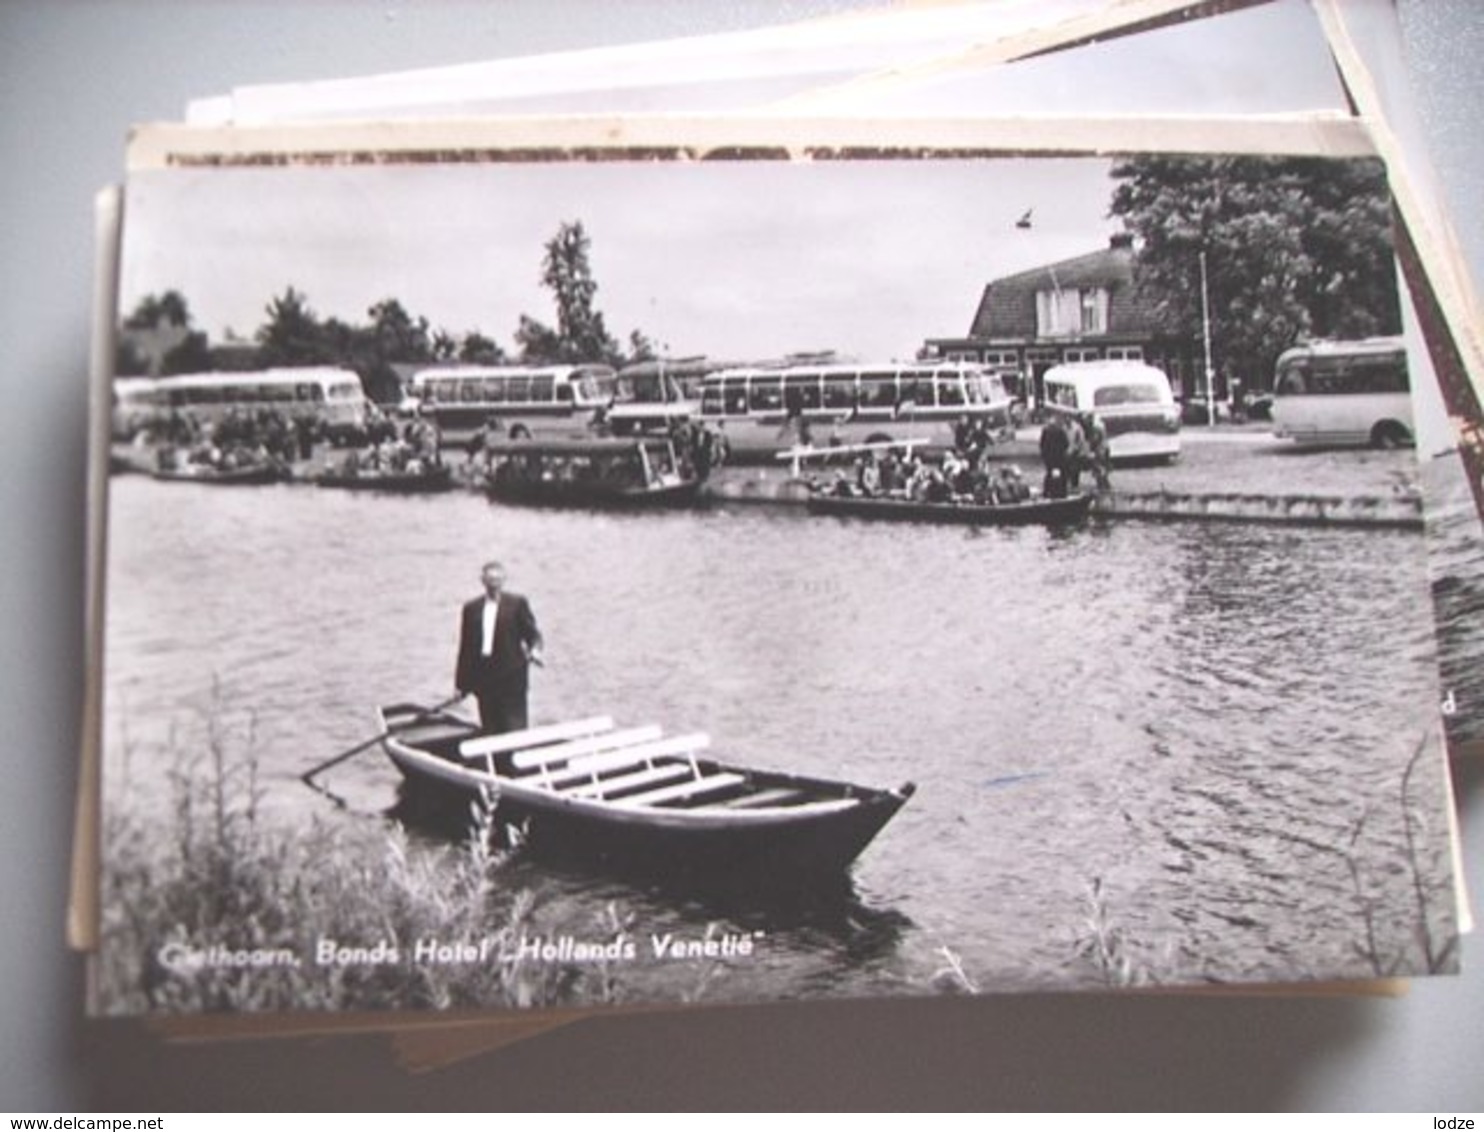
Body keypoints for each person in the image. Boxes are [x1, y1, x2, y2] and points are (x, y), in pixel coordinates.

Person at [455, 560, 544, 742]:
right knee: (490, 727)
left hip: (511, 675)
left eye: (497, 580)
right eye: (489, 580)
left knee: (513, 728)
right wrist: (460, 684)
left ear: (504, 580)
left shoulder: (517, 604)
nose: (493, 584)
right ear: (482, 581)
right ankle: (494, 766)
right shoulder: (471, 609)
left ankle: (517, 767)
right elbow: (465, 649)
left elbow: (533, 635)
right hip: (484, 677)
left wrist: (535, 651)